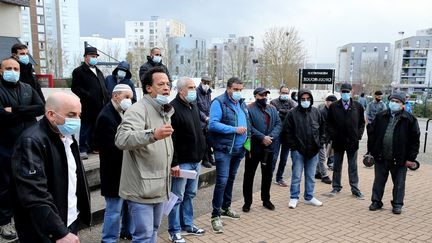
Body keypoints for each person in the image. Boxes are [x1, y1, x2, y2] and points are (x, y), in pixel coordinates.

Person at [11, 92, 91, 242]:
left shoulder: (67, 137)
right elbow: (34, 194)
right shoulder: (31, 141)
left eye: (79, 115)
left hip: (70, 219)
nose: (77, 120)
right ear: (51, 115)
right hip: (44, 230)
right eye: (71, 114)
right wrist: (59, 232)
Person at [115, 66, 174, 243]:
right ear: (148, 88)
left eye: (168, 84)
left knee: (153, 231)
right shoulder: (138, 109)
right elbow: (122, 139)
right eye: (161, 84)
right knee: (143, 235)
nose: (166, 88)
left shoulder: (164, 110)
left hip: (160, 185)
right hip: (141, 188)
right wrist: (152, 134)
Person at [0, 58, 44, 240]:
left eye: (15, 68)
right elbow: (1, 115)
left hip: (28, 146)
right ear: (1, 71)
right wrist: (27, 111)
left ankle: (29, 216)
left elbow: (41, 106)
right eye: (8, 68)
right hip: (5, 146)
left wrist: (15, 110)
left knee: (29, 181)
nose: (13, 71)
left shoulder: (27, 88)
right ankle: (4, 222)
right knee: (5, 185)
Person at [368, 93, 420, 214]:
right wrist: (371, 151)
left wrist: (411, 158)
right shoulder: (381, 116)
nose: (394, 103)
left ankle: (397, 204)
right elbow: (372, 135)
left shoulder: (409, 119)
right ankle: (376, 201)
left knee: (399, 183)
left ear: (402, 105)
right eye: (392, 101)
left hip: (400, 158)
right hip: (381, 156)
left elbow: (415, 140)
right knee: (379, 181)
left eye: (397, 101)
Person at [208, 77, 249, 234]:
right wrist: (234, 129)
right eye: (235, 89)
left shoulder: (241, 103)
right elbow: (213, 124)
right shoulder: (219, 102)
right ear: (228, 88)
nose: (238, 92)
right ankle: (215, 215)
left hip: (238, 150)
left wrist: (247, 142)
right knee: (222, 182)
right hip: (224, 150)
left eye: (240, 89)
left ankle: (226, 208)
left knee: (231, 179)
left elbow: (247, 124)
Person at [168, 77, 206, 243]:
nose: (194, 90)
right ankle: (174, 230)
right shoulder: (173, 108)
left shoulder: (193, 106)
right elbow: (172, 139)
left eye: (194, 87)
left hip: (195, 159)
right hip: (182, 161)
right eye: (190, 87)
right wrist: (174, 162)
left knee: (190, 194)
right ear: (181, 90)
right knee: (177, 197)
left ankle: (187, 224)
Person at [95, 84, 134, 242]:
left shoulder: (124, 112)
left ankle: (126, 231)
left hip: (126, 169)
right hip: (113, 170)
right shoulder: (106, 116)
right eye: (126, 97)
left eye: (131, 98)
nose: (129, 101)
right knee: (114, 209)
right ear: (115, 96)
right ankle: (109, 239)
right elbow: (112, 146)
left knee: (128, 206)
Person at [283, 89, 324, 209]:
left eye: (308, 99)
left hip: (313, 150)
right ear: (299, 99)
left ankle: (309, 197)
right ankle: (294, 197)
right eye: (303, 99)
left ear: (311, 99)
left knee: (311, 176)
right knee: (296, 175)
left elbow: (322, 129)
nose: (305, 101)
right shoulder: (292, 113)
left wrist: (320, 143)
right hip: (298, 151)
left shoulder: (316, 112)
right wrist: (294, 147)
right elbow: (287, 131)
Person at [242, 87, 281, 212]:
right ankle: (247, 202)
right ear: (255, 96)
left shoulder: (272, 109)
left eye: (265, 95)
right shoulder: (248, 109)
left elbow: (279, 124)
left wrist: (271, 137)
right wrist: (262, 137)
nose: (264, 97)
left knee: (268, 175)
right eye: (261, 95)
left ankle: (266, 200)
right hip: (254, 148)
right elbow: (249, 127)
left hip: (269, 147)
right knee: (249, 175)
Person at [326, 83, 366, 199]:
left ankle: (355, 188)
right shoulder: (334, 106)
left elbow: (362, 123)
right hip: (338, 141)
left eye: (347, 91)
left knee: (353, 166)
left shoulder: (358, 106)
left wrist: (358, 135)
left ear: (351, 92)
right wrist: (333, 135)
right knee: (337, 165)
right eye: (343, 91)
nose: (345, 94)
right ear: (340, 92)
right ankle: (336, 186)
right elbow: (329, 123)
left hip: (352, 141)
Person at [71, 46, 109, 160]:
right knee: (86, 127)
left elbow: (103, 87)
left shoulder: (98, 71)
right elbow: (75, 87)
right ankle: (82, 148)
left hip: (100, 105)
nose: (94, 58)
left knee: (97, 127)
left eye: (96, 56)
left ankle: (95, 147)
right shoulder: (79, 71)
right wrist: (88, 95)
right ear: (86, 57)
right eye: (92, 56)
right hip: (87, 105)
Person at [270, 86, 296, 187]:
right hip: (276, 134)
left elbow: (293, 114)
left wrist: (281, 112)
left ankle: (279, 178)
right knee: (273, 157)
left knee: (284, 159)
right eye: (283, 92)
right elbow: (275, 115)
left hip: (287, 135)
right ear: (279, 92)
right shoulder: (273, 102)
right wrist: (288, 112)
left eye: (286, 93)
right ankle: (269, 176)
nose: (284, 94)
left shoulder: (292, 102)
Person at [315, 94, 337, 184]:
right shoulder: (323, 112)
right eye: (328, 101)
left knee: (322, 156)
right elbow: (322, 127)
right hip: (321, 138)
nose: (328, 103)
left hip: (327, 138)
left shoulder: (333, 111)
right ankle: (324, 175)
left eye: (330, 102)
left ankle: (317, 172)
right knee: (322, 157)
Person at [196, 76, 214, 168]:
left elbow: (209, 105)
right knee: (203, 142)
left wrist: (210, 116)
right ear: (201, 81)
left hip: (208, 120)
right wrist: (205, 117)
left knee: (209, 140)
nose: (206, 85)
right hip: (201, 120)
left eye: (208, 83)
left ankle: (210, 157)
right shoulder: (196, 92)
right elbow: (196, 108)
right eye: (205, 82)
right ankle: (205, 159)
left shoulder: (208, 93)